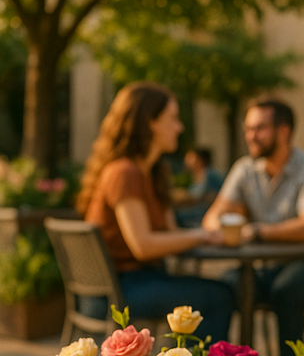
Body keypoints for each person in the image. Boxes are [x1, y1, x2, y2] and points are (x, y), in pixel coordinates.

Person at [76, 81, 235, 341]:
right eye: (173, 118)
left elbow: (169, 232)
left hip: (140, 280)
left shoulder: (151, 174)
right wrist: (202, 236)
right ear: (151, 122)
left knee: (221, 291)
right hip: (119, 290)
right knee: (218, 296)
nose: (179, 127)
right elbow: (143, 245)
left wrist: (204, 234)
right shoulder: (124, 173)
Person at [202, 98, 304, 356]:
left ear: (284, 131)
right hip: (263, 267)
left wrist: (256, 231)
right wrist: (232, 222)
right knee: (227, 287)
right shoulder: (244, 169)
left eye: (259, 128)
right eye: (248, 128)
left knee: (287, 290)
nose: (251, 136)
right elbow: (211, 220)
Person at [173, 147, 225, 228]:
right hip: (201, 214)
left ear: (200, 160)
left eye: (190, 157)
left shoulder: (210, 174)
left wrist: (181, 195)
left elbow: (198, 197)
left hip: (206, 217)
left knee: (177, 216)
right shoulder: (197, 176)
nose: (186, 160)